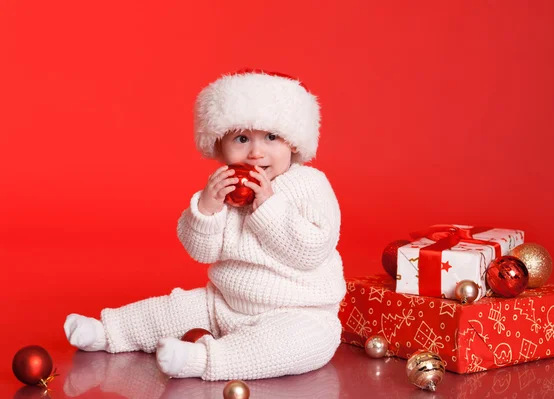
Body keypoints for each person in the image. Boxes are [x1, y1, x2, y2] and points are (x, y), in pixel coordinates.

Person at [64, 69, 346, 381]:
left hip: (298, 313)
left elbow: (311, 251)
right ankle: (108, 330)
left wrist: (268, 206)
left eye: (271, 137)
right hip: (223, 303)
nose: (256, 152)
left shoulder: (309, 184)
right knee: (172, 309)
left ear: (293, 142)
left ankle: (205, 359)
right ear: (219, 146)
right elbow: (201, 251)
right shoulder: (223, 188)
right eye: (241, 138)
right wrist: (206, 208)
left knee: (297, 345)